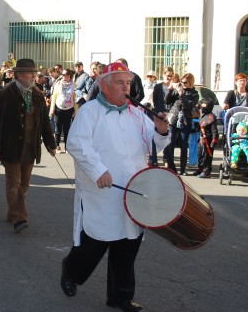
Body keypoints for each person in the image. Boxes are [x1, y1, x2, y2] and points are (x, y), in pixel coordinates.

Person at [60, 62, 170, 312]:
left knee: (128, 245)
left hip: (134, 189)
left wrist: (161, 131)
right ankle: (71, 270)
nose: (125, 88)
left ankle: (120, 297)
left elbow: (154, 144)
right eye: (120, 83)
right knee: (95, 242)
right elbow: (76, 144)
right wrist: (99, 170)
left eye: (128, 83)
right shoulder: (90, 112)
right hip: (102, 192)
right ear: (105, 86)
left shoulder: (137, 114)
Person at [0, 58, 56, 233]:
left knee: (24, 184)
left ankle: (13, 212)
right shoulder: (5, 94)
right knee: (14, 182)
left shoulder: (38, 95)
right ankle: (19, 217)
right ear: (18, 75)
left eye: (34, 73)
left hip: (30, 148)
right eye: (29, 73)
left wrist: (51, 144)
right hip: (10, 147)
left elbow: (44, 124)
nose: (34, 76)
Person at [164, 73, 200, 175]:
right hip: (173, 118)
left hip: (185, 120)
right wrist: (170, 90)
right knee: (170, 143)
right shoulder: (177, 89)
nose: (183, 84)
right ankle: (171, 167)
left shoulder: (194, 94)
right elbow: (166, 101)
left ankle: (182, 169)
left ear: (190, 82)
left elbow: (188, 106)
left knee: (184, 145)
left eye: (185, 82)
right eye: (182, 81)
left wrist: (182, 95)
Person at [49, 68, 75, 153]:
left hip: (69, 108)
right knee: (58, 128)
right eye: (62, 74)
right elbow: (54, 96)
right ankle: (57, 145)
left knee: (67, 127)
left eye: (64, 75)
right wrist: (52, 109)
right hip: (58, 108)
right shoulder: (59, 83)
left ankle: (67, 146)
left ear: (69, 76)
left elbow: (75, 98)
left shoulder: (74, 85)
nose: (62, 76)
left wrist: (75, 110)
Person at [195, 98, 218, 178]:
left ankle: (206, 171)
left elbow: (214, 130)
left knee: (207, 156)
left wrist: (214, 141)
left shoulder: (211, 117)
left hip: (208, 140)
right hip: (201, 139)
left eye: (204, 106)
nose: (202, 108)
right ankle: (200, 168)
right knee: (199, 154)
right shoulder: (203, 115)